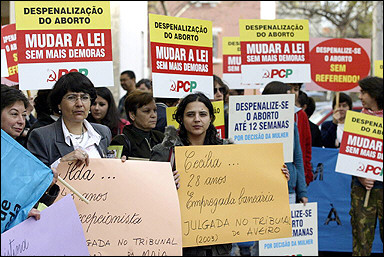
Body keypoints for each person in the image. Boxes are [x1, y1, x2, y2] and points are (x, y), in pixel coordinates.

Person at [150, 92, 290, 256]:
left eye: (202, 114)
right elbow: (151, 198)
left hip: (220, 245)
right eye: (190, 114)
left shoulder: (228, 151)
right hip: (181, 244)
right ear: (180, 118)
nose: (197, 119)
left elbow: (248, 185)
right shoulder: (165, 152)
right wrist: (166, 186)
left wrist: (276, 178)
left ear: (211, 118)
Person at [27, 72, 112, 169]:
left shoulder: (103, 132)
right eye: (71, 98)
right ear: (59, 104)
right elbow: (35, 177)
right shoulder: (42, 136)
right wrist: (61, 163)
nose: (79, 104)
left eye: (84, 98)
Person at [1, 84, 58, 222]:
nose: (21, 121)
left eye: (24, 115)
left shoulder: (24, 153)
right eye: (14, 114)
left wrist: (46, 185)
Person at [350, 76, 383, 256]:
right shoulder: (357, 120)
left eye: (363, 92)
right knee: (361, 238)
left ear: (375, 94)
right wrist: (361, 175)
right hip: (362, 188)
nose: (360, 96)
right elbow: (350, 156)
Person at [110, 90, 164, 159]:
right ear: (132, 115)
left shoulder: (161, 138)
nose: (153, 115)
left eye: (155, 110)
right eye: (147, 111)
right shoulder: (120, 141)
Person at [287, 83, 313, 186]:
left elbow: (306, 147)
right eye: (289, 89)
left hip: (297, 176)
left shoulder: (300, 115)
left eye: (296, 89)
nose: (293, 92)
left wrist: (306, 175)